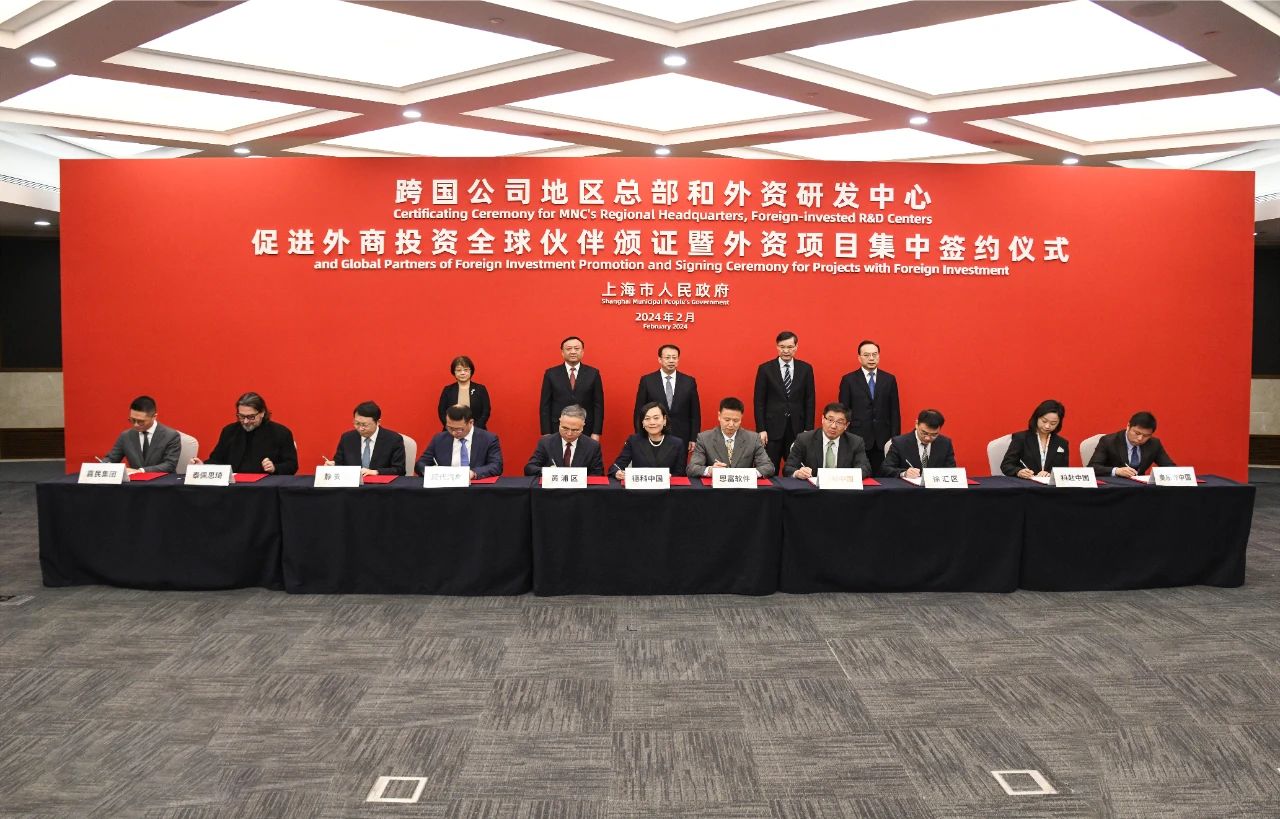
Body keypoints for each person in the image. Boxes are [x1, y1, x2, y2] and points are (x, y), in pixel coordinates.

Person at [193, 391, 297, 474]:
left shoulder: (281, 433)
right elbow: (216, 460)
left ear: (262, 413)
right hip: (233, 487)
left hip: (265, 488)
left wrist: (274, 468)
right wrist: (203, 467)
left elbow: (292, 465)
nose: (246, 421)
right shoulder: (229, 431)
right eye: (241, 416)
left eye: (251, 417)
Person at [753, 330, 815, 469]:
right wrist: (761, 429)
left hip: (797, 429)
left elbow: (810, 401)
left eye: (790, 347)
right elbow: (759, 402)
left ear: (796, 347)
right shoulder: (765, 369)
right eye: (782, 347)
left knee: (796, 469)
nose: (786, 351)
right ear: (777, 347)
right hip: (771, 429)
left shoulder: (805, 369)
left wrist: (808, 430)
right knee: (769, 469)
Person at [839, 339, 901, 476]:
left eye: (874, 354)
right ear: (859, 358)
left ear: (879, 356)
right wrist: (845, 437)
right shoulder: (848, 380)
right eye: (866, 355)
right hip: (857, 437)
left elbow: (894, 411)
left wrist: (895, 438)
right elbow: (843, 411)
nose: (871, 358)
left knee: (882, 478)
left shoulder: (889, 379)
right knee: (859, 476)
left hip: (883, 438)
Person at [633, 344, 700, 454]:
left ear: (678, 360)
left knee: (679, 465)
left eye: (674, 357)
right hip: (654, 434)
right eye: (667, 357)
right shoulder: (647, 381)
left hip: (681, 435)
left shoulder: (689, 382)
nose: (671, 360)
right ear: (660, 359)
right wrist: (640, 435)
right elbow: (639, 412)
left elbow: (695, 413)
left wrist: (694, 438)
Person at [688, 397, 775, 478]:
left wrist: (748, 474)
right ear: (719, 416)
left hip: (743, 486)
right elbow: (692, 468)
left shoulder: (753, 438)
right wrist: (710, 470)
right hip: (716, 487)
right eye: (727, 420)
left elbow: (769, 467)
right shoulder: (704, 438)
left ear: (741, 418)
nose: (731, 424)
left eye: (736, 420)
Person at [782, 402, 872, 479]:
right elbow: (788, 467)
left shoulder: (855, 442)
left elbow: (865, 468)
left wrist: (845, 477)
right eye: (830, 420)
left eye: (839, 422)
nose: (833, 426)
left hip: (842, 490)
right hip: (812, 490)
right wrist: (797, 473)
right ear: (822, 419)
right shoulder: (804, 439)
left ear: (846, 425)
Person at [539, 336, 603, 441]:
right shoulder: (551, 374)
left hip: (585, 428)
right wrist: (546, 433)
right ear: (562, 352)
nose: (573, 352)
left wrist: (596, 432)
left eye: (576, 348)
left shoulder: (593, 373)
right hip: (557, 428)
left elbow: (598, 405)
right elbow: (545, 405)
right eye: (569, 349)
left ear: (582, 352)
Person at [418, 404, 503, 479]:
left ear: (471, 422)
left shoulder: (488, 439)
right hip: (445, 487)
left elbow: (496, 466)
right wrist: (431, 472)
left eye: (459, 429)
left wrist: (473, 473)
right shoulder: (439, 439)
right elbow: (421, 463)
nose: (454, 433)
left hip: (476, 488)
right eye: (450, 428)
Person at [101, 395, 181, 474]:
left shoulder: (171, 436)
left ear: (154, 417)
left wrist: (141, 471)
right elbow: (111, 459)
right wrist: (104, 465)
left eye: (141, 421)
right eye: (132, 420)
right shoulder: (125, 436)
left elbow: (170, 465)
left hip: (163, 481)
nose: (135, 425)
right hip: (135, 481)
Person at [322, 400, 405, 476]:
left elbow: (399, 470)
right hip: (353, 485)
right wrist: (333, 466)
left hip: (381, 486)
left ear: (378, 422)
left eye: (365, 425)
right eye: (357, 423)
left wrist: (377, 472)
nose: (360, 428)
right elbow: (339, 463)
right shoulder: (347, 438)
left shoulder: (394, 440)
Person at [1088, 411, 1175, 478]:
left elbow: (1169, 467)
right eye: (1137, 433)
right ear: (1128, 426)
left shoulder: (1154, 444)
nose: (1140, 438)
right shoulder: (1109, 441)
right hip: (1114, 485)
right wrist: (1117, 471)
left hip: (1140, 488)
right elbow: (1092, 468)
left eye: (1146, 436)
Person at [610, 401, 685, 479]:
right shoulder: (633, 441)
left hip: (668, 486)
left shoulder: (677, 443)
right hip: (640, 486)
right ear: (642, 422)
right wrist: (617, 473)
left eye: (656, 418)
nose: (652, 422)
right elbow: (616, 467)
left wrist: (669, 477)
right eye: (647, 418)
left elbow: (680, 475)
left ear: (664, 420)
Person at [525, 404, 604, 475]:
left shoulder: (592, 446)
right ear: (560, 422)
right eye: (565, 428)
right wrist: (547, 471)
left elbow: (598, 474)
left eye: (575, 430)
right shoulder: (546, 442)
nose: (569, 434)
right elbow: (529, 468)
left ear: (583, 426)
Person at [1001, 399, 1069, 478]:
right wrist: (1019, 472)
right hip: (1026, 483)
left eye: (1053, 423)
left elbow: (1064, 471)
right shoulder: (1021, 438)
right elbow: (1006, 465)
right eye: (1044, 421)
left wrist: (1050, 475)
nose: (1047, 426)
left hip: (1049, 485)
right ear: (1037, 417)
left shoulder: (1062, 443)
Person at [880, 408, 954, 478]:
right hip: (907, 486)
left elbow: (951, 471)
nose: (928, 438)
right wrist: (904, 473)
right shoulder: (899, 443)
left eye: (934, 435)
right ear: (916, 424)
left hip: (934, 486)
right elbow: (885, 469)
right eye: (924, 433)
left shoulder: (945, 444)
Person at [437, 355, 491, 430]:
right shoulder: (448, 390)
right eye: (459, 370)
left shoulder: (480, 389)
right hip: (452, 431)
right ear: (454, 372)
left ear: (471, 371)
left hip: (477, 431)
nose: (462, 373)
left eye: (466, 370)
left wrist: (473, 429)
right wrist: (452, 428)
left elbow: (486, 411)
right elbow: (441, 412)